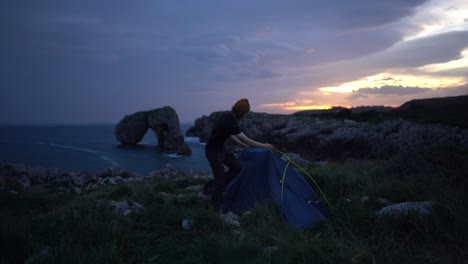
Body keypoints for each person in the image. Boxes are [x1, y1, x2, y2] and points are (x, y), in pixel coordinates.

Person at [205, 98, 273, 210]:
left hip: (222, 149)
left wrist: (240, 144)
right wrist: (265, 146)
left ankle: (219, 185)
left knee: (237, 168)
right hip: (213, 152)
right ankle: (215, 207)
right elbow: (249, 141)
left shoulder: (227, 116)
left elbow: (231, 134)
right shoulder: (230, 122)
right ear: (241, 113)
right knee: (220, 180)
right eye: (245, 114)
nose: (245, 116)